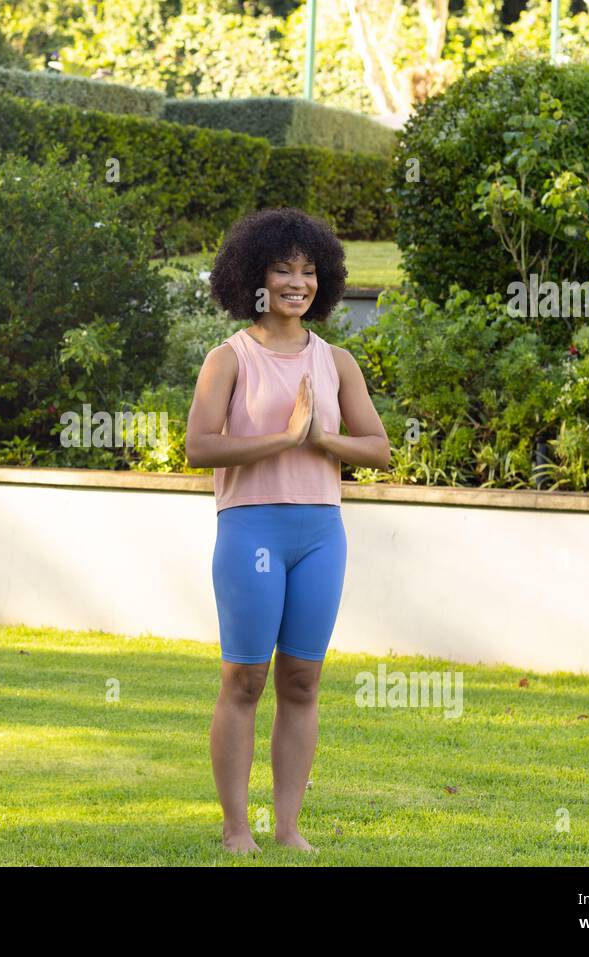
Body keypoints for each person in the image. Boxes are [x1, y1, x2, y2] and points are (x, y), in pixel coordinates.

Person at [185, 207, 390, 854]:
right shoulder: (228, 358)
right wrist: (283, 437)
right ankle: (235, 828)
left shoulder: (337, 361)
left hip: (321, 533)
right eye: (282, 269)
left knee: (302, 681)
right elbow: (199, 446)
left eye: (308, 271)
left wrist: (322, 437)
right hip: (251, 529)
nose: (297, 282)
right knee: (244, 681)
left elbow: (379, 448)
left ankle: (289, 827)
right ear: (254, 276)